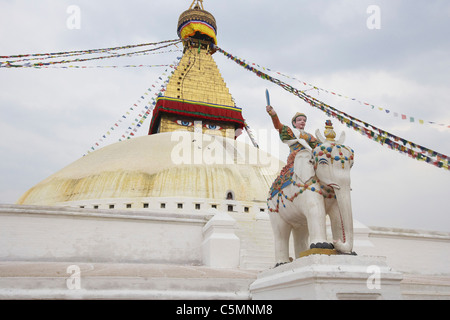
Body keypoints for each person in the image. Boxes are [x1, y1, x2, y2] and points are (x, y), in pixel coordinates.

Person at [266, 105, 318, 210]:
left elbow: (317, 146)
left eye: (304, 120)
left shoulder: (309, 136)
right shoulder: (290, 132)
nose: (302, 122)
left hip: (309, 157)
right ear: (294, 123)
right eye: (299, 120)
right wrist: (273, 114)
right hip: (296, 158)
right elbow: (278, 126)